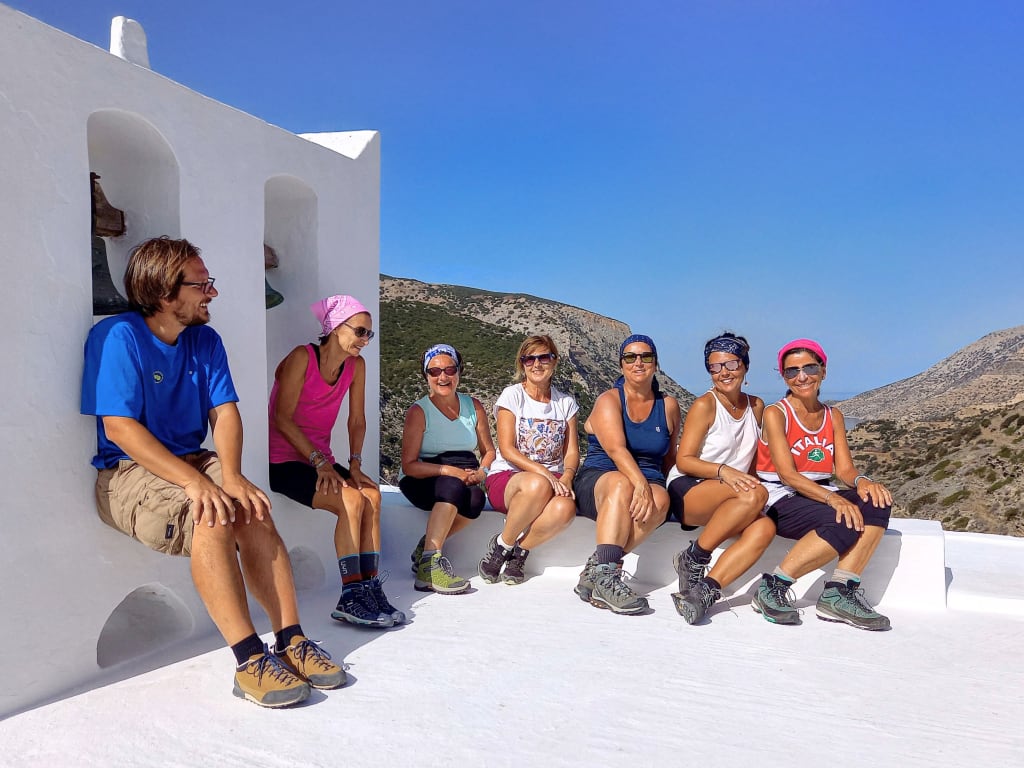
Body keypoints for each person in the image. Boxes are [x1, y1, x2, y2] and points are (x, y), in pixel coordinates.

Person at [81, 237, 345, 709]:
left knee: (251, 505)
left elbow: (225, 413)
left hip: (192, 458)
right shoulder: (117, 336)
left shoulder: (205, 340)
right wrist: (197, 482)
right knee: (212, 512)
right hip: (128, 473)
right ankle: (249, 660)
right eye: (201, 284)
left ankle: (291, 639)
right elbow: (119, 428)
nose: (212, 293)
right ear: (164, 292)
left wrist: (235, 475)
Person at [269, 294, 403, 629]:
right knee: (351, 500)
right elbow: (282, 418)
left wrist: (354, 464)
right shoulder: (302, 358)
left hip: (322, 462)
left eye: (369, 334)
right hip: (286, 460)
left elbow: (356, 419)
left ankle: (369, 588)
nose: (365, 340)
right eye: (360, 332)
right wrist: (318, 461)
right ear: (334, 327)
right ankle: (350, 596)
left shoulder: (356, 366)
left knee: (371, 495)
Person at [752, 339, 893, 630]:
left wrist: (863, 482)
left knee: (877, 502)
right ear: (784, 377)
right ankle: (772, 587)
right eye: (791, 372)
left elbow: (844, 469)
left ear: (823, 371)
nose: (801, 377)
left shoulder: (834, 416)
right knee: (841, 516)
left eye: (809, 368)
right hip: (780, 493)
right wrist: (834, 500)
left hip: (817, 489)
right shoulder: (776, 413)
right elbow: (788, 475)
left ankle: (839, 592)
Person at [666, 333, 774, 624]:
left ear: (745, 366)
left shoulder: (757, 406)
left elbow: (750, 462)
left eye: (731, 363)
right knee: (755, 495)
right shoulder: (706, 405)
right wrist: (723, 471)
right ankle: (693, 558)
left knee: (764, 528)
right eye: (715, 367)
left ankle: (704, 592)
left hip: (731, 494)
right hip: (691, 487)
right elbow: (684, 459)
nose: (724, 372)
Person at [574, 334, 681, 614]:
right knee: (621, 484)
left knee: (660, 502)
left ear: (655, 364)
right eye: (630, 357)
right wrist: (640, 485)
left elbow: (669, 457)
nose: (638, 362)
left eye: (645, 357)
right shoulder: (609, 399)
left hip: (648, 478)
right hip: (601, 476)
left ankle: (598, 570)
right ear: (621, 364)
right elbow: (616, 449)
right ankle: (608, 576)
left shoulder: (668, 405)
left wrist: (662, 489)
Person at [478, 335, 579, 585]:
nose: (537, 364)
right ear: (521, 364)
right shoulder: (512, 396)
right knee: (537, 484)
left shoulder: (565, 403)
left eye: (543, 357)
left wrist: (567, 475)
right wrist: (544, 474)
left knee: (565, 509)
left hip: (552, 479)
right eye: (529, 359)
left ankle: (519, 551)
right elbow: (507, 449)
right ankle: (502, 545)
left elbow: (572, 451)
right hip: (510, 478)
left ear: (554, 361)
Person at [399, 343, 495, 595]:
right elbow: (409, 465)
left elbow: (489, 451)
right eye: (434, 371)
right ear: (426, 377)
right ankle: (429, 568)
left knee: (475, 500)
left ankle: (424, 548)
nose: (443, 377)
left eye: (450, 369)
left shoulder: (473, 407)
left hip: (462, 475)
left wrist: (482, 471)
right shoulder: (419, 412)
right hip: (423, 477)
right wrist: (449, 472)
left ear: (459, 372)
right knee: (452, 487)